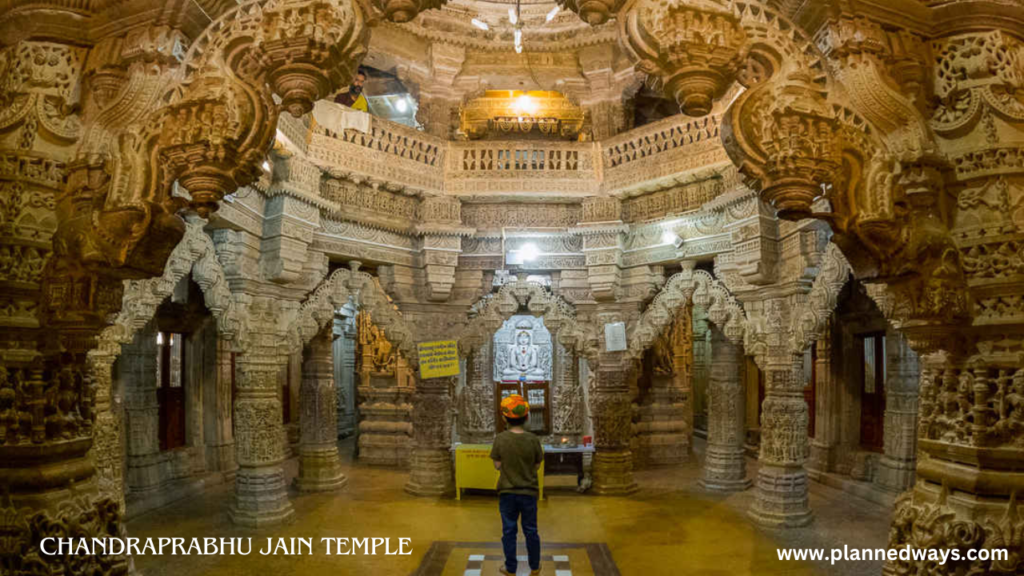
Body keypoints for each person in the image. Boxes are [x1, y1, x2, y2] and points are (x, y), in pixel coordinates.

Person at [490, 394, 544, 576]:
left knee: (509, 531)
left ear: (505, 418)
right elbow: (537, 465)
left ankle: (510, 568)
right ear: (526, 417)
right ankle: (535, 566)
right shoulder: (533, 439)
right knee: (531, 530)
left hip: (507, 492)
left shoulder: (500, 439)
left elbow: (497, 464)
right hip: (528, 492)